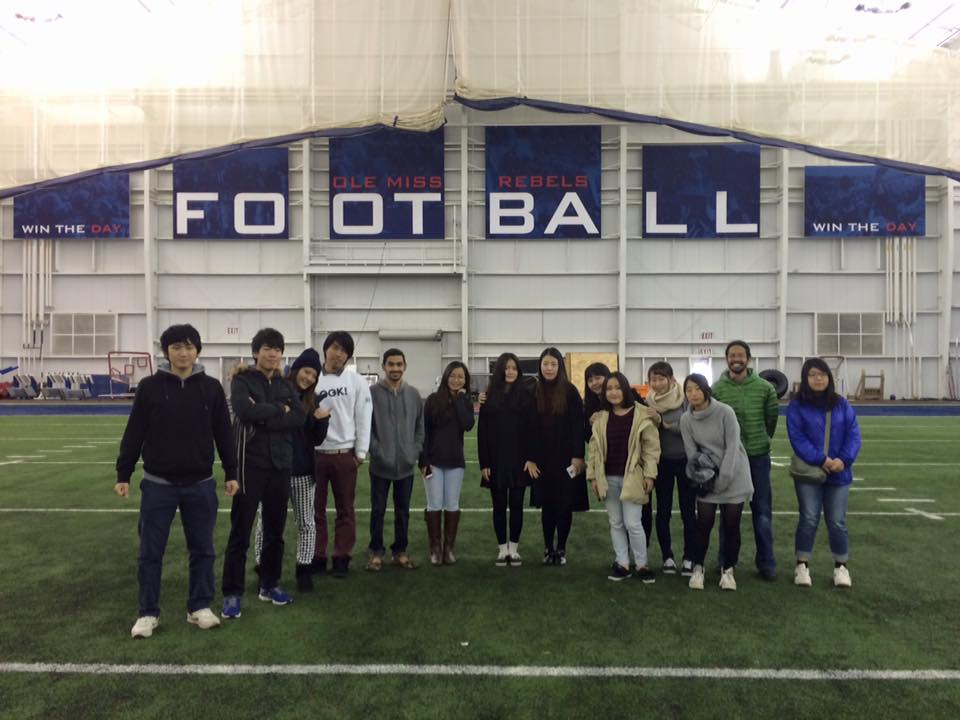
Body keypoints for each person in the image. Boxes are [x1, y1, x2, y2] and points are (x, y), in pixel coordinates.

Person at [115, 324, 237, 639]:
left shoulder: (211, 388)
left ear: (198, 350)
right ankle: (147, 613)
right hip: (158, 485)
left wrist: (232, 472)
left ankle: (199, 606)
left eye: (188, 347)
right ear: (166, 351)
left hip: (201, 484)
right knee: (150, 552)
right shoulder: (150, 387)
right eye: (176, 347)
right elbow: (135, 431)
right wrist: (123, 473)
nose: (183, 353)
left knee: (203, 549)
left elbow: (224, 433)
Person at [221, 328, 305, 619]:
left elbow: (298, 417)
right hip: (250, 465)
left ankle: (269, 585)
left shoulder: (284, 382)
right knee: (240, 532)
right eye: (267, 348)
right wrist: (278, 411)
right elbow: (245, 411)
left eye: (277, 349)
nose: (272, 354)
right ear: (256, 352)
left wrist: (269, 412)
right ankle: (232, 592)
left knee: (275, 531)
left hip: (280, 465)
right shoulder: (242, 380)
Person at [252, 348, 328, 591]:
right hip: (274, 471)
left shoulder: (312, 400)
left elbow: (315, 440)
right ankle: (262, 569)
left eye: (314, 375)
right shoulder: (275, 390)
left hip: (304, 473)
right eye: (306, 372)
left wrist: (321, 421)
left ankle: (304, 570)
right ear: (296, 369)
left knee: (306, 522)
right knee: (266, 523)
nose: (309, 378)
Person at [787, 358, 862, 588]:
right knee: (809, 518)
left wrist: (843, 460)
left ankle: (841, 567)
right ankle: (802, 565)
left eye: (821, 374)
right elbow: (797, 438)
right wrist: (821, 459)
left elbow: (853, 434)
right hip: (811, 472)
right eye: (812, 374)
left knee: (837, 521)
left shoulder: (842, 404)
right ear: (805, 379)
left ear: (829, 377)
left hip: (839, 473)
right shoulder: (797, 405)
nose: (817, 378)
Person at [711, 340, 779, 580]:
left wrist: (760, 441)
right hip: (729, 459)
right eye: (731, 355)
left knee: (762, 511)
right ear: (727, 359)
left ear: (748, 359)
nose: (736, 358)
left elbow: (771, 420)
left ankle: (766, 563)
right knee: (728, 511)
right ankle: (726, 560)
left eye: (740, 355)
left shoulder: (765, 388)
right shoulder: (717, 388)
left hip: (758, 457)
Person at [680, 373, 753, 592]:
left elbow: (732, 447)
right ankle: (698, 568)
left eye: (697, 388)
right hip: (707, 480)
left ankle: (728, 570)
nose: (693, 394)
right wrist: (704, 477)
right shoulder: (686, 419)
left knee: (731, 527)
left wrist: (724, 479)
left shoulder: (725, 412)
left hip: (734, 476)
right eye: (689, 390)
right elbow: (692, 453)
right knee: (703, 525)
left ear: (705, 389)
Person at [586, 372, 660, 583]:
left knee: (633, 523)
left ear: (625, 389)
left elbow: (651, 449)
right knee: (616, 523)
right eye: (609, 389)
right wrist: (593, 477)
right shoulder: (600, 418)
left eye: (617, 387)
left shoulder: (641, 414)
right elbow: (594, 450)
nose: (613, 392)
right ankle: (623, 563)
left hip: (633, 479)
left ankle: (642, 565)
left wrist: (650, 475)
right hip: (608, 478)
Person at [313, 331, 373, 579]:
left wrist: (360, 451)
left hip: (344, 454)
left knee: (345, 510)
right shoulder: (310, 378)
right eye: (335, 348)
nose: (338, 354)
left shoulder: (356, 381)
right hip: (314, 455)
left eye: (344, 351)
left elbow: (363, 415)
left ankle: (341, 557)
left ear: (348, 356)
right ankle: (316, 555)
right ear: (325, 349)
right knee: (314, 511)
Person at [524, 347, 588, 566]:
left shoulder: (570, 391)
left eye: (553, 364)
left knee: (564, 505)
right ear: (540, 366)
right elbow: (529, 428)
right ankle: (547, 547)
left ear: (559, 367)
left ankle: (561, 547)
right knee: (548, 505)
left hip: (566, 459)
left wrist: (577, 457)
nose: (549, 368)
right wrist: (530, 458)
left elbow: (578, 427)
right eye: (545, 364)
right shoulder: (533, 389)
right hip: (542, 460)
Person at [367, 348, 425, 570]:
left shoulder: (414, 395)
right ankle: (376, 552)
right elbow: (366, 427)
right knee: (378, 511)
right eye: (391, 364)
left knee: (403, 511)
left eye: (399, 364)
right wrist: (377, 451)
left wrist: (414, 451)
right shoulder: (371, 393)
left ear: (405, 366)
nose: (395, 369)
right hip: (380, 466)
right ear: (383, 367)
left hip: (406, 467)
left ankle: (400, 551)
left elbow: (420, 428)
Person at [478, 352, 533, 566]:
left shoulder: (527, 395)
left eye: (513, 368)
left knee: (517, 505)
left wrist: (530, 458)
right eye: (506, 368)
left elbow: (532, 430)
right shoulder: (489, 396)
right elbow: (483, 433)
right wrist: (485, 463)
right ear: (499, 370)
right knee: (499, 506)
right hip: (496, 461)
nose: (510, 372)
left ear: (518, 371)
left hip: (520, 461)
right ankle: (502, 550)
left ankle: (514, 548)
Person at [643, 361, 697, 576]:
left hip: (685, 461)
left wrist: (663, 424)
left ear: (672, 379)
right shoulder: (648, 402)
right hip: (661, 463)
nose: (657, 383)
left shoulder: (685, 400)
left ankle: (689, 558)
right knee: (663, 512)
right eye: (653, 379)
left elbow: (691, 427)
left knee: (687, 511)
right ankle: (667, 557)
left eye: (661, 379)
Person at [420, 361, 475, 566]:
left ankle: (448, 548)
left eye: (461, 377)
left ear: (465, 381)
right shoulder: (433, 400)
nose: (456, 380)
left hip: (455, 462)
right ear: (445, 377)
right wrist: (423, 460)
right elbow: (424, 431)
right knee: (434, 504)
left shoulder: (465, 401)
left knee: (452, 504)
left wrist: (461, 399)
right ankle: (435, 548)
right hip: (433, 462)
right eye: (453, 376)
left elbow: (468, 424)